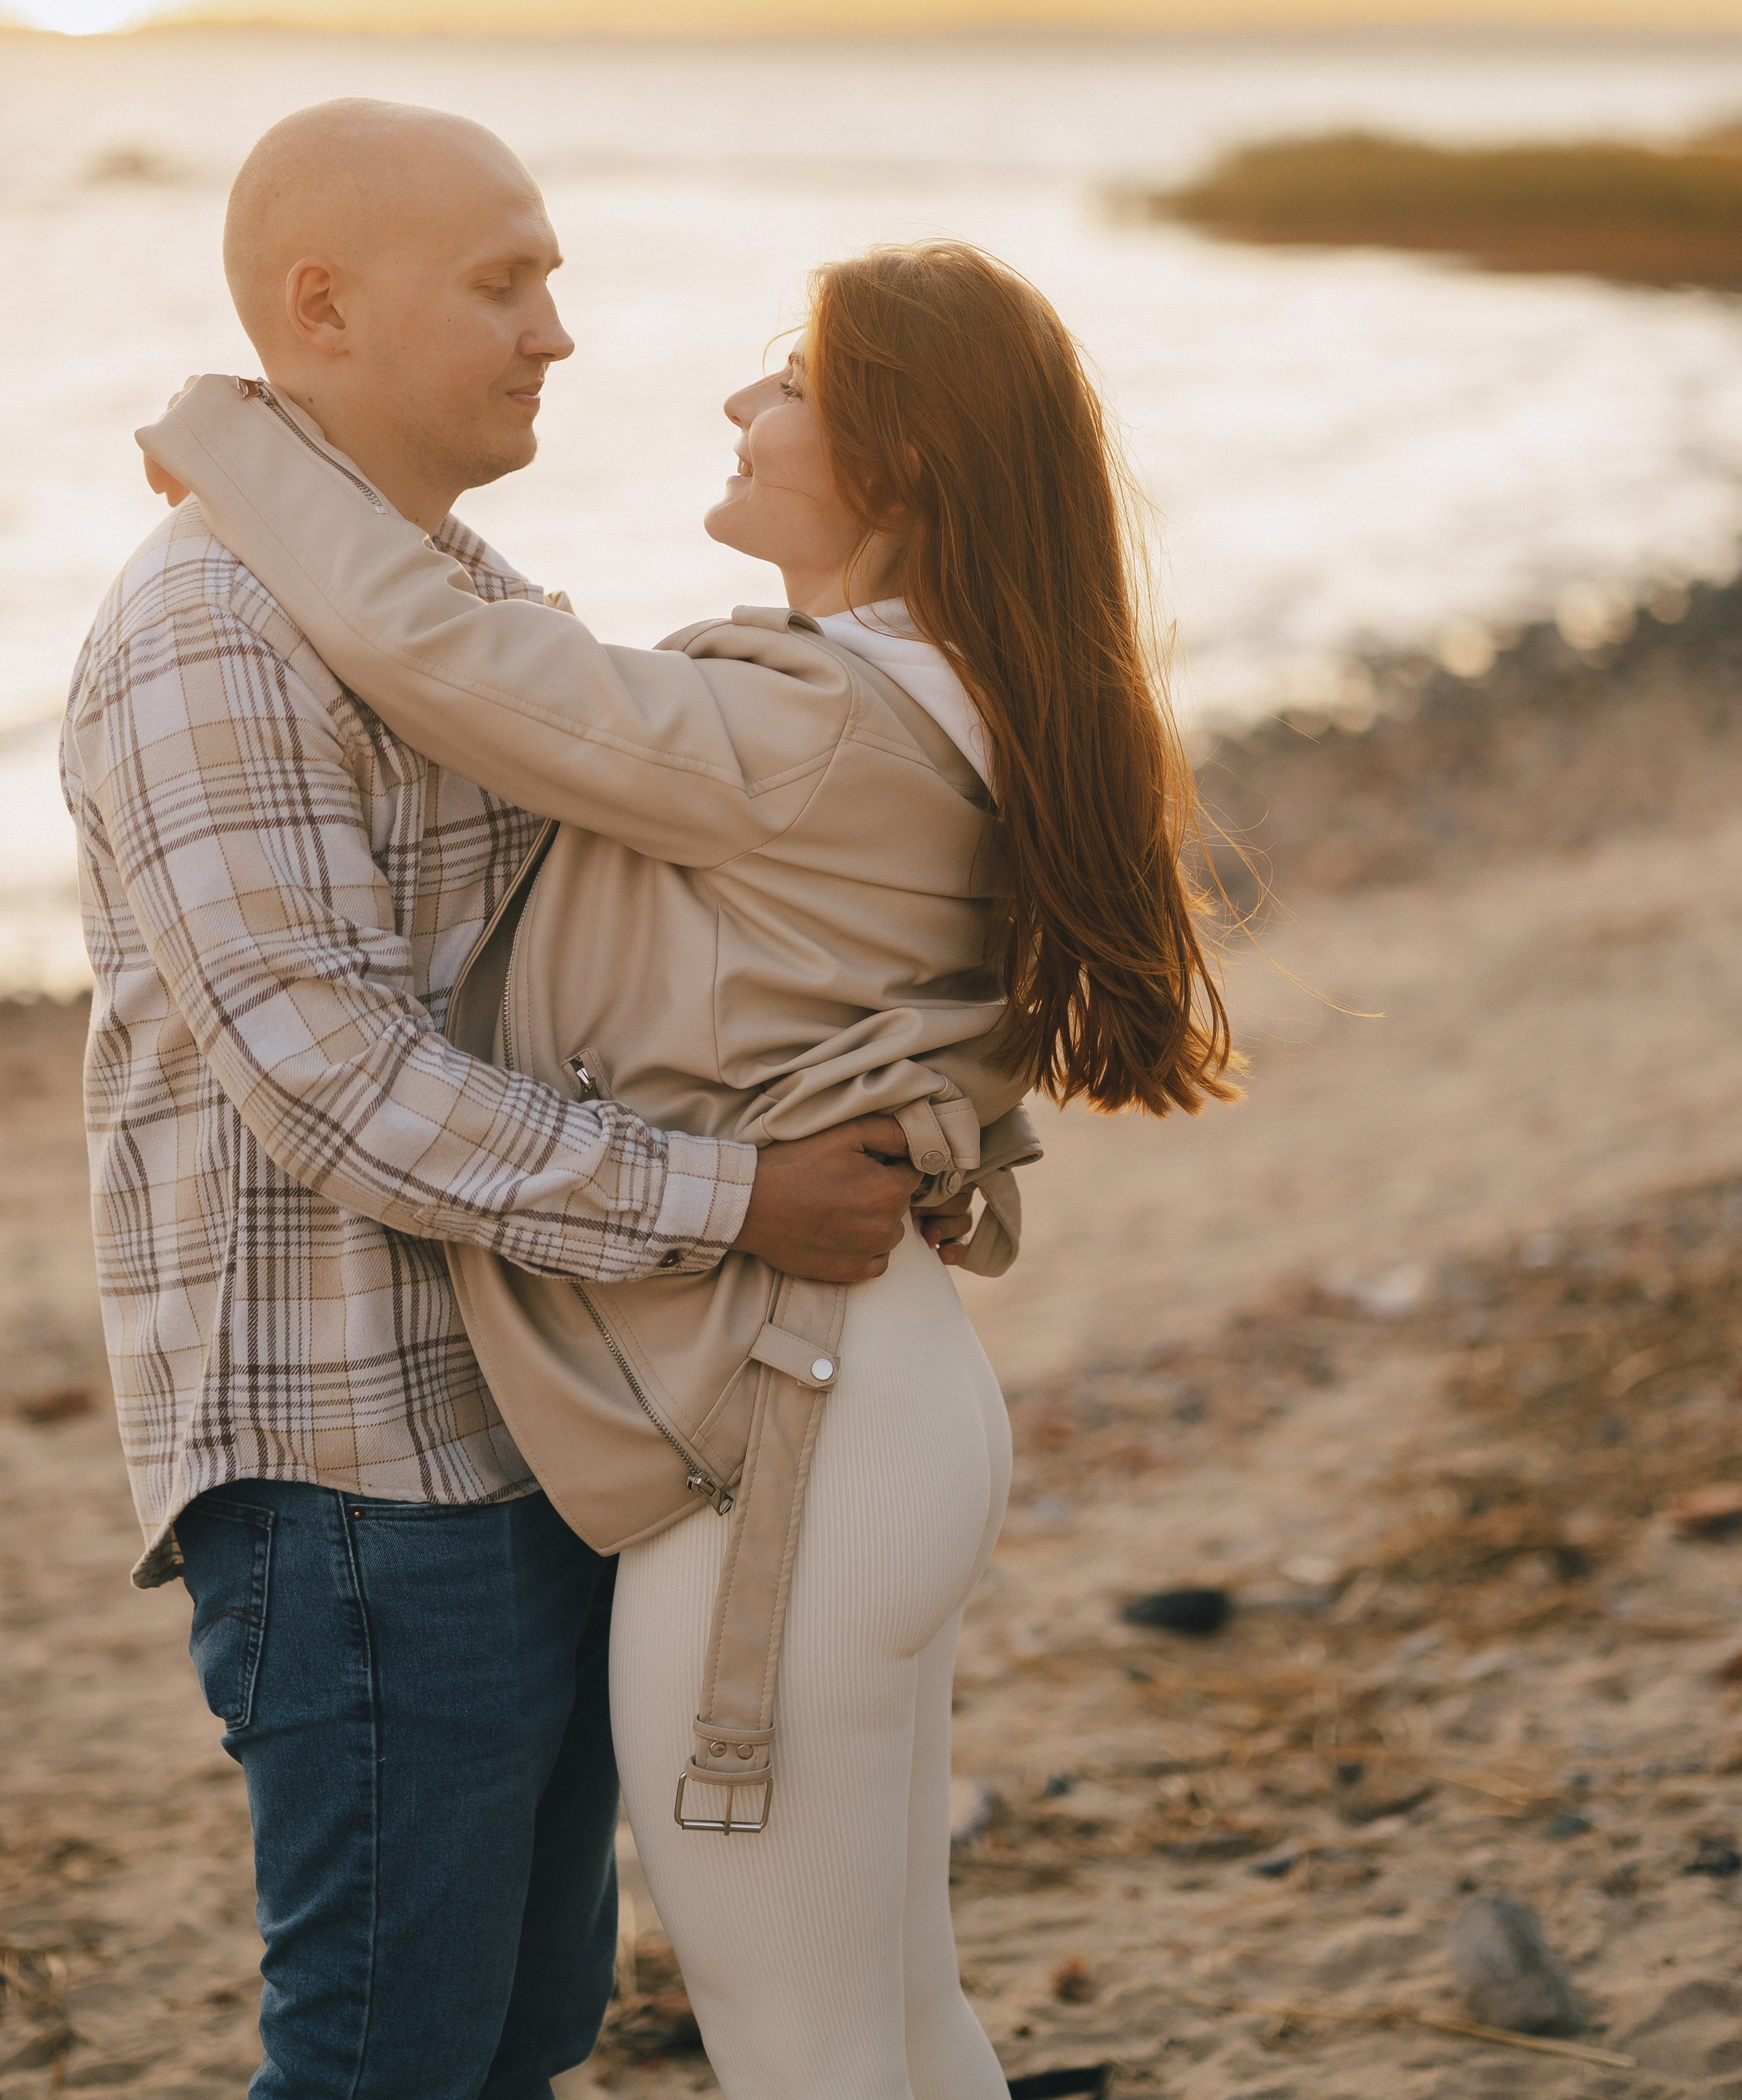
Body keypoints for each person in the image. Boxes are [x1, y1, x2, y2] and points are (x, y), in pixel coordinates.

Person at [142, 121, 1233, 2099]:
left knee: (808, 2045)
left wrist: (226, 440)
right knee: (891, 2018)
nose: (731, 392)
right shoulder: (914, 701)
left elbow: (447, 656)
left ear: (897, 465)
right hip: (844, 1395)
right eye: (507, 285)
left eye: (793, 378)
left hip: (795, 1419)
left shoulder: (817, 724)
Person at [61, 100, 940, 2100]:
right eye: (505, 280)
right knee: (385, 2058)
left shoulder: (460, 599)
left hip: (533, 1431)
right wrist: (736, 1199)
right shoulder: (213, 629)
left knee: (519, 2040)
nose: (559, 329)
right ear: (324, 307)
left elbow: (635, 940)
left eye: (550, 276)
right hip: (351, 1468)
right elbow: (334, 1082)